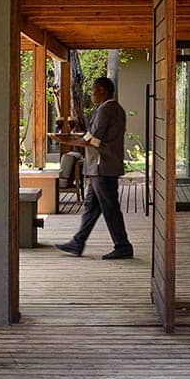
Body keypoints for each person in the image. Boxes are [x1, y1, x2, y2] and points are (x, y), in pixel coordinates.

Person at [55, 76, 134, 259]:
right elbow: (96, 136)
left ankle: (123, 246)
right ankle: (77, 242)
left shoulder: (106, 110)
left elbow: (94, 139)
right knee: (91, 207)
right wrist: (77, 138)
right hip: (101, 167)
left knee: (110, 208)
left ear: (102, 90)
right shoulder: (116, 109)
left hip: (102, 167)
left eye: (93, 90)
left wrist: (67, 140)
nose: (91, 94)